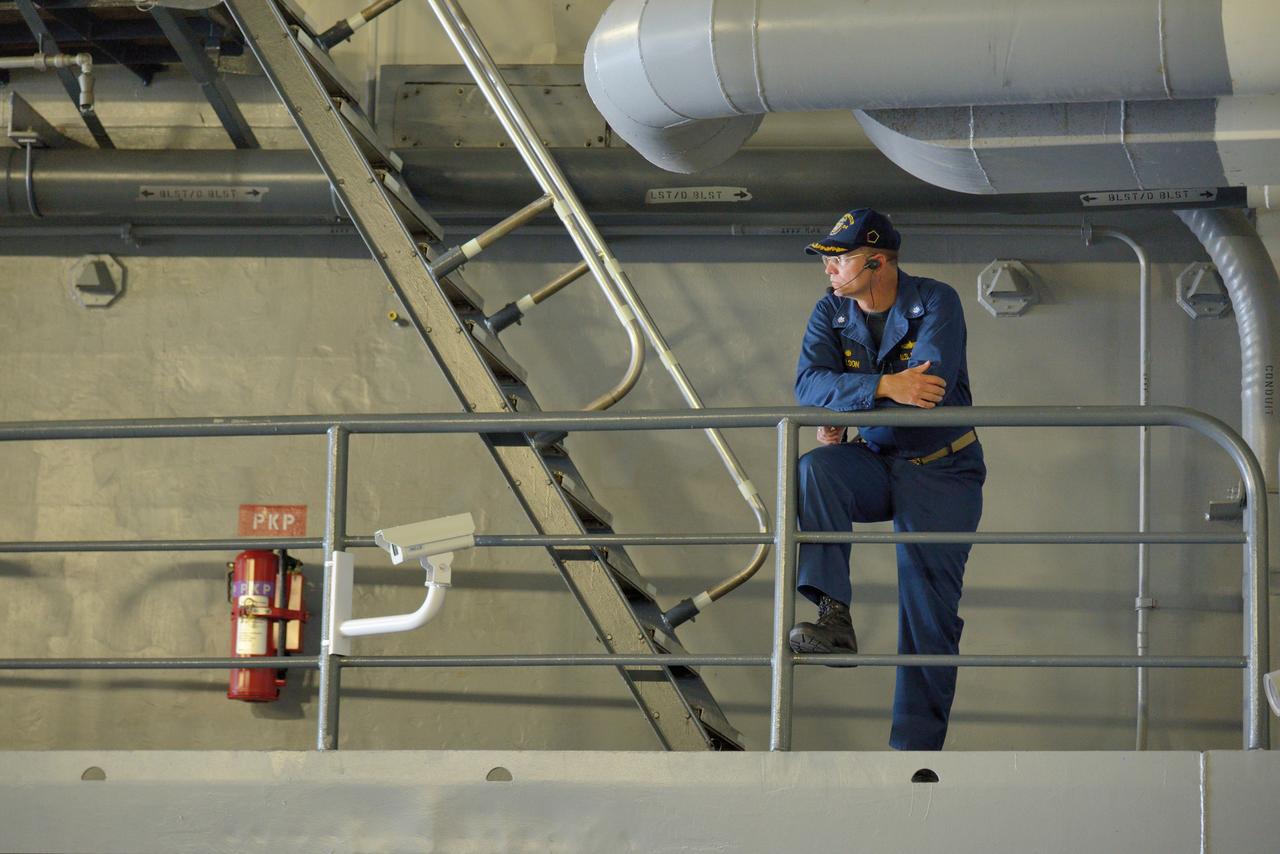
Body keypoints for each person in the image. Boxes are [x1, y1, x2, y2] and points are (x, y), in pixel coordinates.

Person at [789, 208, 985, 751]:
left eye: (840, 259)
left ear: (877, 261)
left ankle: (914, 752)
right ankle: (834, 616)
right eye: (826, 260)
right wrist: (881, 389)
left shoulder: (936, 300)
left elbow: (926, 394)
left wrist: (851, 400)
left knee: (927, 614)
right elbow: (808, 385)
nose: (828, 270)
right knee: (816, 470)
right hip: (876, 458)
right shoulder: (831, 312)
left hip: (943, 470)